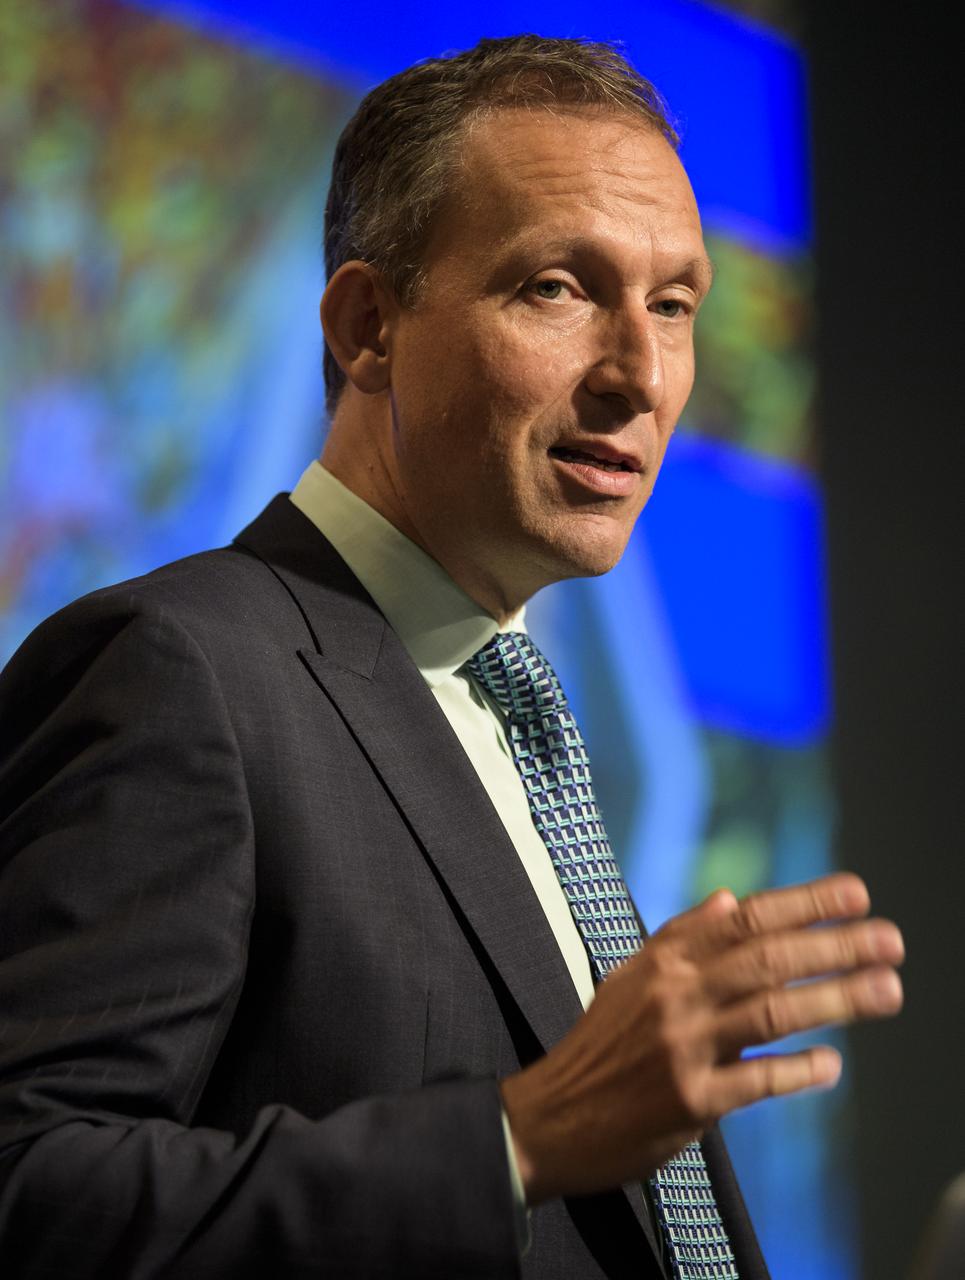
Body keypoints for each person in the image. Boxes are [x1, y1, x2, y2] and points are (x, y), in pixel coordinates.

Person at [0, 34, 903, 1280]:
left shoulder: (526, 716)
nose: (640, 375)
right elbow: (32, 1191)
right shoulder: (177, 669)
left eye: (672, 305)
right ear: (367, 325)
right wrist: (515, 1139)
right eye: (559, 288)